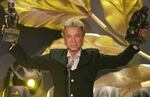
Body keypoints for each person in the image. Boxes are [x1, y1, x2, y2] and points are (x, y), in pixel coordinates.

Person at [8, 18, 147, 97]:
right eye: (69, 36)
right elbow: (27, 61)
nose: (73, 40)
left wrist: (134, 45)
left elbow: (119, 60)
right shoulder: (54, 57)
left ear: (82, 37)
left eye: (77, 36)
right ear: (64, 38)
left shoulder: (93, 57)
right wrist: (12, 40)